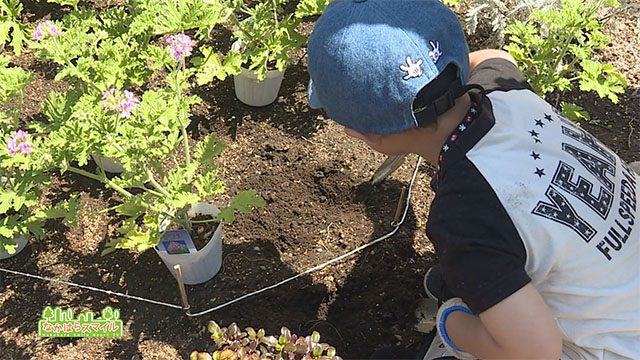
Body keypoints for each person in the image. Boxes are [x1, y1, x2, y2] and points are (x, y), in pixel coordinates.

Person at [305, 0, 640, 359]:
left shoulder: (465, 218)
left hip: (605, 348)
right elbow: (496, 56)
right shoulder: (503, 88)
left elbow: (534, 352)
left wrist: (452, 320)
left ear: (369, 136)